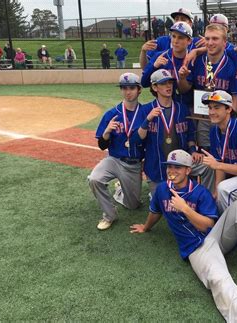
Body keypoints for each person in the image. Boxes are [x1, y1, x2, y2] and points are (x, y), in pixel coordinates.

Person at [130, 149, 237, 323]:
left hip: (213, 236)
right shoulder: (162, 190)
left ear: (188, 170)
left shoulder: (200, 192)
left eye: (178, 167)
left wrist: (185, 208)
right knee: (218, 277)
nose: (172, 171)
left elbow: (207, 225)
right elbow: (155, 211)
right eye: (170, 167)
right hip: (195, 247)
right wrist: (146, 226)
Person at [136, 69, 214, 194]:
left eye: (170, 83)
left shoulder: (181, 109)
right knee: (164, 203)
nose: (168, 86)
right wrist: (147, 120)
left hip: (182, 162)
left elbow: (190, 135)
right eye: (163, 83)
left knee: (209, 166)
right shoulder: (146, 110)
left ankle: (206, 199)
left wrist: (193, 151)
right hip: (157, 167)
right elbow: (137, 139)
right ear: (155, 87)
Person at [88, 73, 145, 230]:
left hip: (133, 164)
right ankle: (109, 214)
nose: (128, 92)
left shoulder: (145, 112)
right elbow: (101, 145)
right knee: (95, 179)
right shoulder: (111, 114)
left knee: (133, 205)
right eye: (124, 88)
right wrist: (106, 132)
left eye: (132, 88)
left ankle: (120, 189)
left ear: (139, 90)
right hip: (114, 159)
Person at [179, 23, 237, 152]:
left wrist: (231, 118)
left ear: (224, 42)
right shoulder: (197, 60)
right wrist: (182, 78)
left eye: (215, 39)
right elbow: (184, 89)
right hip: (201, 116)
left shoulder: (232, 60)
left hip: (223, 118)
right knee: (204, 153)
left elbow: (235, 95)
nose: (210, 42)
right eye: (207, 38)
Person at [141, 22, 194, 109]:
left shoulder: (192, 59)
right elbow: (144, 83)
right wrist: (154, 66)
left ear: (189, 41)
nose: (176, 41)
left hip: (187, 108)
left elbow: (183, 90)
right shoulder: (160, 56)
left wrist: (182, 78)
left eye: (180, 37)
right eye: (173, 36)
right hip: (164, 107)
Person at [140, 8, 205, 69]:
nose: (179, 22)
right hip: (165, 80)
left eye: (183, 19)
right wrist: (143, 52)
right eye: (176, 19)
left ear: (190, 23)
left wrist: (207, 45)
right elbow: (145, 68)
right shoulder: (161, 41)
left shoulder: (198, 42)